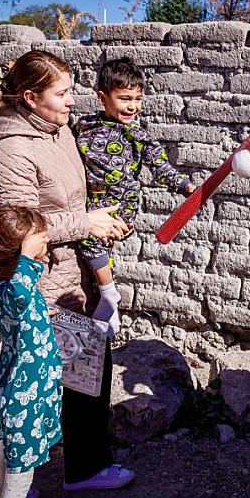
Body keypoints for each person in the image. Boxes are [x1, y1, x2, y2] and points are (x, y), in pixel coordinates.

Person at [0, 50, 134, 498]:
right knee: (30, 378)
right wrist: (87, 223)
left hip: (71, 272)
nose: (71, 102)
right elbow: (20, 224)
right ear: (30, 97)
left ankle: (84, 468)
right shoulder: (11, 148)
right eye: (61, 93)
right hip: (40, 280)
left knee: (86, 369)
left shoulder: (58, 130)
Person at [74, 57, 195, 335]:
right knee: (98, 255)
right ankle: (105, 307)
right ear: (103, 98)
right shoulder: (84, 126)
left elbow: (159, 165)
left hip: (121, 206)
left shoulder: (138, 134)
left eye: (138, 99)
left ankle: (109, 294)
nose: (133, 106)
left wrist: (184, 185)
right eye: (125, 98)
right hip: (92, 202)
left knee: (90, 241)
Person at [0, 205, 62, 498]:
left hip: (19, 390)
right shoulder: (17, 287)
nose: (46, 243)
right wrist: (26, 256)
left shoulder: (2, 286)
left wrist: (39, 316)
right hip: (26, 396)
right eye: (40, 239)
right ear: (21, 249)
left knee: (6, 461)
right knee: (19, 476)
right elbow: (19, 297)